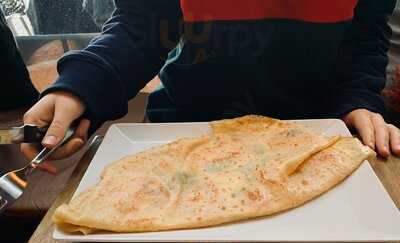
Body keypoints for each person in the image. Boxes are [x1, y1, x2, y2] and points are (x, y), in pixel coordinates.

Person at [22, 0, 400, 174]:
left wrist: (359, 99)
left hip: (316, 142)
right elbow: (141, 27)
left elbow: (364, 37)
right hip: (181, 134)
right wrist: (80, 87)